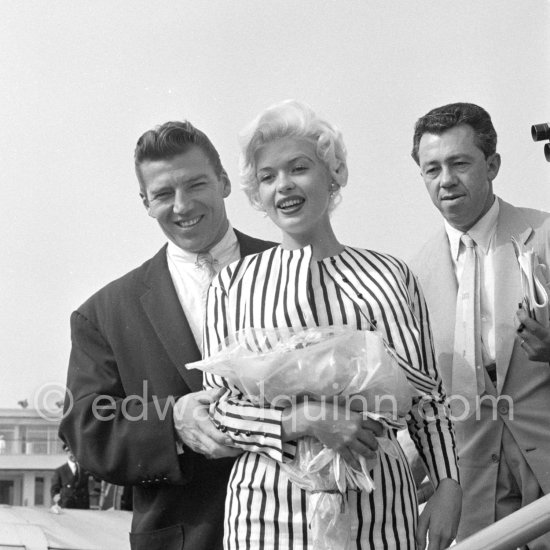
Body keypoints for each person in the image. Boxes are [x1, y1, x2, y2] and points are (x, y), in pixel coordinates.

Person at [203, 100, 462, 550]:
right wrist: (299, 420)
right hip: (267, 511)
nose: (283, 185)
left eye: (299, 168)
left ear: (333, 173)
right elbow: (219, 408)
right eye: (268, 176)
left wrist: (447, 483)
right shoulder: (232, 284)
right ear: (256, 193)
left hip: (379, 507)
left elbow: (427, 398)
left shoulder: (390, 276)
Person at [59, 121, 275, 550]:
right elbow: (85, 430)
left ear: (225, 182)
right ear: (145, 202)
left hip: (297, 530)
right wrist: (172, 423)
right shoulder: (101, 314)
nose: (182, 205)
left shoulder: (293, 267)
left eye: (196, 184)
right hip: (183, 538)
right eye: (162, 194)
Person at [410, 102, 550, 547]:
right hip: (475, 498)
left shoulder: (544, 235)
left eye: (459, 163)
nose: (445, 180)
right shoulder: (411, 277)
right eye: (432, 169)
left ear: (492, 165)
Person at [50, 443, 90, 509]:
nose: (73, 455)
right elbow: (54, 490)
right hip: (66, 507)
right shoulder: (60, 471)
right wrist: (60, 502)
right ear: (67, 452)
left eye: (75, 452)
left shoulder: (85, 470)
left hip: (83, 508)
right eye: (71, 452)